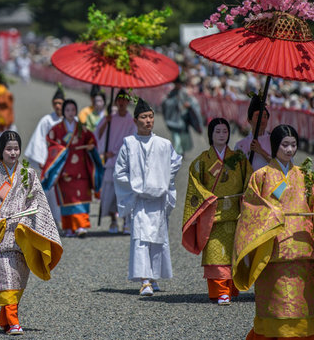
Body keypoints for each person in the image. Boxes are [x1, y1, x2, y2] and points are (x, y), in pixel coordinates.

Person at [233, 124, 314, 340]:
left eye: (293, 145)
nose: (289, 149)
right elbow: (252, 209)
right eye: (285, 144)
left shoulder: (307, 178)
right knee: (274, 307)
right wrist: (278, 201)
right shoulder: (261, 176)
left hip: (304, 250)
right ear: (275, 146)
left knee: (300, 307)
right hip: (273, 251)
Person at [0, 131, 63, 335]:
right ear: (1, 151)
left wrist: (26, 220)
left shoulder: (28, 174)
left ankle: (5, 319)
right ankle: (14, 323)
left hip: (20, 234)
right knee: (6, 278)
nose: (13, 152)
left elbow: (37, 201)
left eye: (16, 148)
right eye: (9, 149)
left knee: (16, 280)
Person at [114, 98, 182, 295]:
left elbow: (175, 163)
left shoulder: (164, 144)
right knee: (141, 239)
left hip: (159, 198)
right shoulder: (129, 143)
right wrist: (137, 186)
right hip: (140, 200)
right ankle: (144, 280)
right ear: (135, 121)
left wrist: (162, 180)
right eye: (144, 117)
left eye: (151, 117)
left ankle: (154, 276)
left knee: (159, 238)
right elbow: (120, 172)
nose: (148, 121)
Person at [182, 118, 251, 305]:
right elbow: (194, 183)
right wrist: (207, 198)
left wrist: (245, 198)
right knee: (215, 254)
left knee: (232, 254)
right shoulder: (202, 160)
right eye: (217, 131)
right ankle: (221, 292)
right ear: (211, 135)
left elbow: (249, 180)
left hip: (234, 214)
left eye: (225, 131)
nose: (222, 135)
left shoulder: (239, 158)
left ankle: (230, 289)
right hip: (212, 213)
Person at [41, 99, 104, 238]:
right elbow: (50, 142)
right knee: (68, 199)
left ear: (76, 112)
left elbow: (91, 140)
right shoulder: (56, 129)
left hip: (81, 169)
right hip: (64, 170)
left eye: (73, 110)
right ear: (63, 112)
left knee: (82, 198)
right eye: (68, 110)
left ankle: (81, 226)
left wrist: (90, 147)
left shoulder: (82, 128)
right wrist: (60, 150)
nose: (70, 113)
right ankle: (69, 227)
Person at [95, 89, 137, 234]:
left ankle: (126, 221)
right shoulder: (109, 118)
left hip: (124, 163)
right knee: (109, 193)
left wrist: (114, 152)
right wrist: (105, 124)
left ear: (128, 102)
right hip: (110, 162)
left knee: (125, 193)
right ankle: (113, 220)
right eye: (119, 99)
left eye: (125, 99)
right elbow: (98, 135)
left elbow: (132, 143)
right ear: (116, 101)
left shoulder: (132, 121)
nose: (122, 102)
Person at [24, 86, 65, 226]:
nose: (58, 106)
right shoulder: (47, 120)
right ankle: (51, 220)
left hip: (67, 161)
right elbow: (39, 140)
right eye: (56, 103)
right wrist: (42, 160)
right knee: (51, 191)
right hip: (51, 161)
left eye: (60, 103)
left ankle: (68, 221)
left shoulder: (72, 120)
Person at [234, 95, 272, 171]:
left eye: (265, 116)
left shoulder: (274, 141)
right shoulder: (241, 145)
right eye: (258, 116)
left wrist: (261, 151)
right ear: (249, 120)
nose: (262, 120)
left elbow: (282, 166)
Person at [162, 77, 194, 157]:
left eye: (179, 84)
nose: (177, 85)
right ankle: (177, 152)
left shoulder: (184, 92)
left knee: (183, 135)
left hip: (183, 117)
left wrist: (187, 105)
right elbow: (167, 103)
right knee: (175, 135)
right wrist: (174, 101)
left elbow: (190, 101)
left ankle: (181, 150)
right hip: (174, 118)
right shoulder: (171, 93)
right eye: (176, 84)